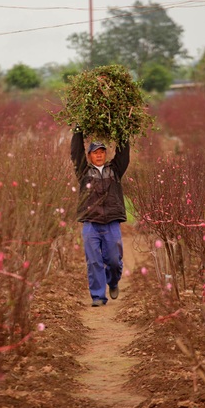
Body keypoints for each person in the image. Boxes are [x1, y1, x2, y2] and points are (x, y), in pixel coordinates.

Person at [70, 128, 130, 307]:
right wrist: (78, 131)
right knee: (94, 260)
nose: (99, 155)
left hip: (112, 222)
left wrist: (123, 129)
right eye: (95, 153)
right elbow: (76, 152)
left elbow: (124, 154)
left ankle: (112, 281)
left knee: (113, 259)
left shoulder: (115, 170)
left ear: (105, 154)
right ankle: (97, 296)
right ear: (89, 156)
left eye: (102, 152)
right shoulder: (84, 172)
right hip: (91, 222)